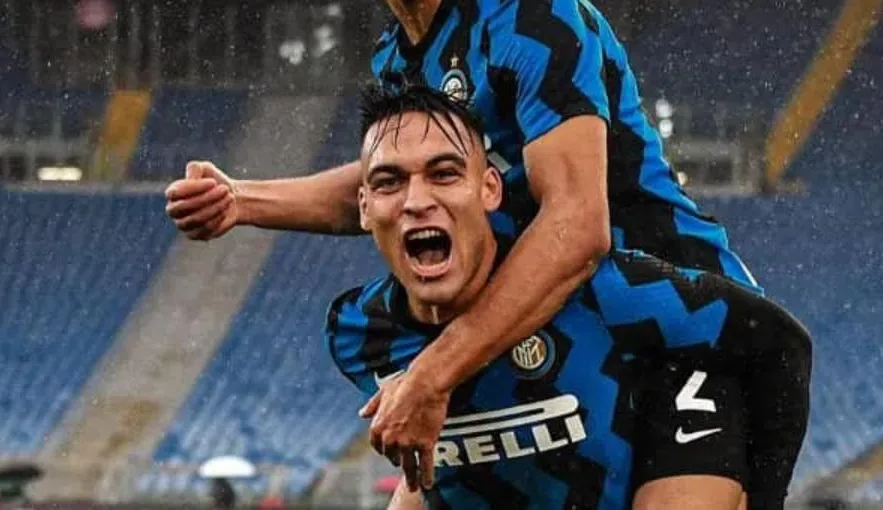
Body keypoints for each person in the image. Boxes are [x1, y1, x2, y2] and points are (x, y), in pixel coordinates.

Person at [164, 0, 810, 509]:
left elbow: (578, 226)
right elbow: (389, 186)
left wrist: (432, 374)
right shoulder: (396, 62)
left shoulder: (528, 12)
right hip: (552, 323)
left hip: (672, 322)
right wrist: (242, 201)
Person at [326, 83, 812, 509]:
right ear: (364, 208)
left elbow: (780, 343)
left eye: (444, 174)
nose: (416, 201)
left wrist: (766, 499)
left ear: (490, 189)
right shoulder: (360, 334)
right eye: (389, 182)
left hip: (671, 417)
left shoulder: (603, 292)